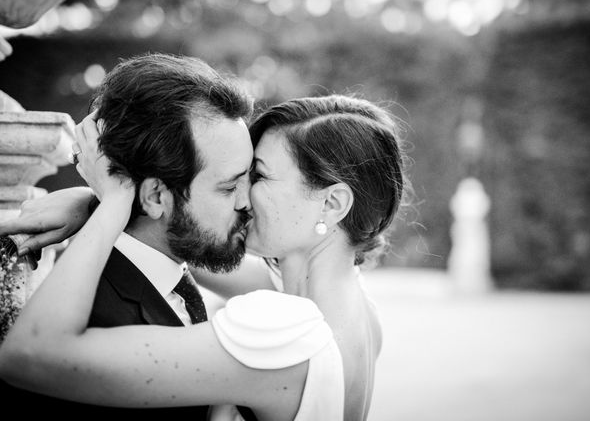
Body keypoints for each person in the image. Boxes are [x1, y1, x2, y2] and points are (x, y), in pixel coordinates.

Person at [0, 91, 406, 419]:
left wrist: (113, 204)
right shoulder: (353, 308)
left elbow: (33, 355)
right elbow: (191, 238)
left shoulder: (284, 335)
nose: (244, 198)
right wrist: (101, 204)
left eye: (260, 176)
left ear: (333, 204)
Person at [0, 52, 268, 421]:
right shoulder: (93, 321)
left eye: (249, 178)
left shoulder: (171, 271)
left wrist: (99, 203)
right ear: (156, 197)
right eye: (228, 188)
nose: (248, 202)